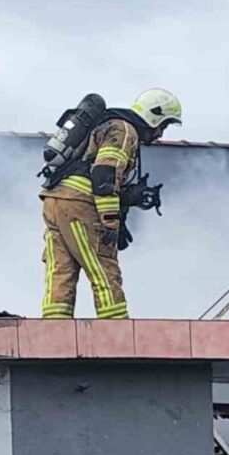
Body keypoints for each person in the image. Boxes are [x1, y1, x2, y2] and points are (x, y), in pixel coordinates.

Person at [39, 88, 182, 319]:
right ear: (154, 117)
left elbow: (92, 172)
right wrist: (110, 223)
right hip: (79, 205)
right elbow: (104, 174)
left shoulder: (106, 125)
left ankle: (56, 328)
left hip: (56, 200)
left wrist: (130, 197)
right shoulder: (125, 130)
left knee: (61, 271)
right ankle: (116, 330)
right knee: (103, 268)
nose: (160, 134)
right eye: (163, 125)